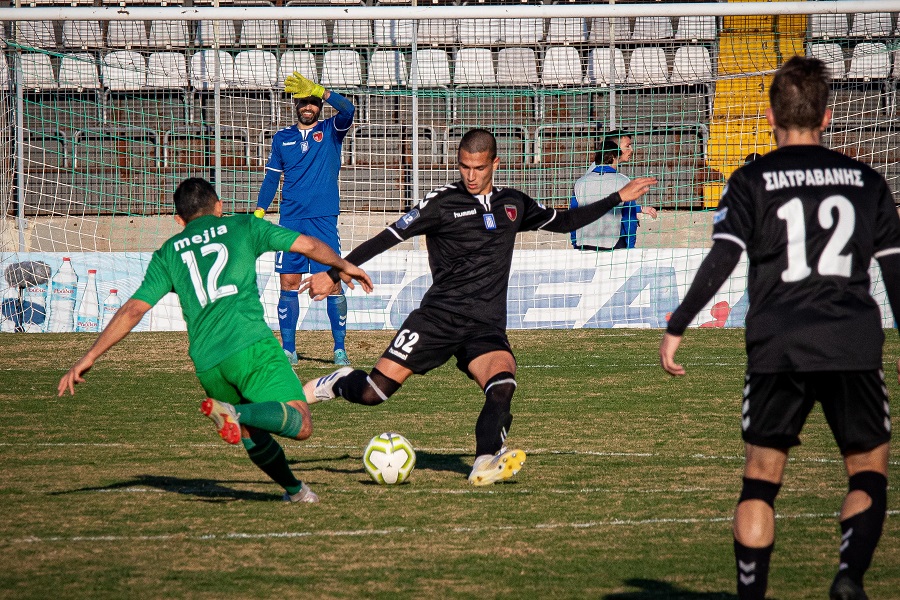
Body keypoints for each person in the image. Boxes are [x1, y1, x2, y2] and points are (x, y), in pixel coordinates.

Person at [659, 56, 900, 600]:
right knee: (866, 471)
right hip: (852, 342)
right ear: (829, 116)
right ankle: (848, 578)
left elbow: (722, 258)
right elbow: (895, 270)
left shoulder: (751, 180)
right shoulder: (866, 181)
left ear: (770, 116)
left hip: (779, 344)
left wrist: (677, 325)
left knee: (760, 479)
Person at [303, 129, 656, 486]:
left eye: (478, 168)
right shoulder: (441, 202)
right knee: (372, 393)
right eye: (464, 167)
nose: (471, 175)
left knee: (503, 384)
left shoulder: (513, 204)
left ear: (494, 164)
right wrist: (336, 271)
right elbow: (389, 236)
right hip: (437, 319)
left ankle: (484, 462)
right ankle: (337, 381)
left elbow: (564, 222)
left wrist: (617, 197)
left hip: (484, 325)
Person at [58, 178, 373, 503]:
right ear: (219, 206)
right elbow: (308, 245)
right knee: (300, 421)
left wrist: (90, 356)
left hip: (208, 363)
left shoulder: (167, 253)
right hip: (250, 345)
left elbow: (133, 309)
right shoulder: (243, 226)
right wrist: (344, 266)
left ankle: (295, 492)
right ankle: (238, 411)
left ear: (179, 220)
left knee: (250, 432)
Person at [255, 71, 355, 366]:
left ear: (319, 106)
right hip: (290, 222)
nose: (308, 106)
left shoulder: (332, 129)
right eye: (303, 102)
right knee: (288, 281)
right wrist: (260, 212)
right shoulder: (282, 138)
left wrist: (321, 90)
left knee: (333, 283)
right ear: (295, 105)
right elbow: (272, 178)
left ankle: (339, 349)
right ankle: (288, 349)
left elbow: (349, 109)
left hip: (323, 220)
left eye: (312, 102)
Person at [570, 131, 657, 251]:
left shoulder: (583, 180)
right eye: (627, 146)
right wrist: (630, 247)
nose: (631, 150)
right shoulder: (621, 180)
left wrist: (640, 209)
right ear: (613, 149)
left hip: (585, 243)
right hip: (612, 243)